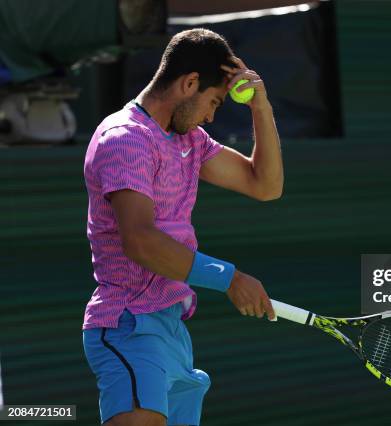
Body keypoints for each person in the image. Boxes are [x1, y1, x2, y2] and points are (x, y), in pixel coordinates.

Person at [82, 28, 282, 426]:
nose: (211, 115)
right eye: (213, 102)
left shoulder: (191, 141)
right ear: (189, 83)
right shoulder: (125, 138)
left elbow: (266, 186)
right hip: (130, 325)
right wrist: (229, 278)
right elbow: (140, 240)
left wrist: (261, 107)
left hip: (172, 332)